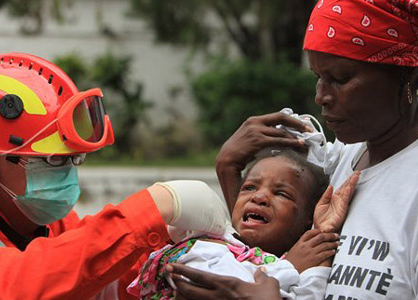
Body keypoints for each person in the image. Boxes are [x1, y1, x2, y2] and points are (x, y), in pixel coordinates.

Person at [168, 0, 418, 299]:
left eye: (340, 79)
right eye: (318, 78)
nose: (321, 97)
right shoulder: (341, 159)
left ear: (408, 76)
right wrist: (228, 168)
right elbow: (271, 252)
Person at [0, 52, 231, 300]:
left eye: (74, 159)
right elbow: (6, 287)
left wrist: (165, 253)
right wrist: (155, 207)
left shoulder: (43, 221)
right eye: (54, 159)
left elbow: (92, 277)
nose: (68, 171)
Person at [127, 148, 359, 300]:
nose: (259, 197)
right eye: (249, 187)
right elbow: (227, 288)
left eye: (281, 194)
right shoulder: (205, 247)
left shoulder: (290, 259)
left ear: (306, 220)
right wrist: (292, 268)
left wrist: (322, 238)